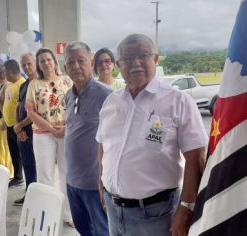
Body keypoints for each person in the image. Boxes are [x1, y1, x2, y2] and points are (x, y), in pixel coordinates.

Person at [96, 34, 208, 236]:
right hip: (113, 210)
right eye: (128, 59)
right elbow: (103, 144)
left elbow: (196, 159)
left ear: (155, 59)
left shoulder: (178, 101)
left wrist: (186, 207)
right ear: (119, 64)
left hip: (156, 214)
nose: (136, 63)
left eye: (143, 55)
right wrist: (101, 183)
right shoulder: (111, 102)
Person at [64, 41, 111, 235]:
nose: (76, 66)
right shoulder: (68, 95)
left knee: (102, 231)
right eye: (70, 62)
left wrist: (105, 182)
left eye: (81, 60)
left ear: (91, 62)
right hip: (73, 181)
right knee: (83, 230)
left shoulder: (106, 95)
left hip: (95, 185)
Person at [25, 48, 73, 226]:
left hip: (66, 132)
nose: (46, 63)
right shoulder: (34, 84)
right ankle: (47, 215)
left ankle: (68, 215)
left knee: (66, 174)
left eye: (48, 59)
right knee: (45, 176)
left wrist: (66, 128)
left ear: (55, 61)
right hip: (43, 135)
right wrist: (52, 129)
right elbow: (31, 112)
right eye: (42, 61)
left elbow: (76, 105)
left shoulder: (67, 81)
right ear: (39, 65)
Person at [12, 53, 37, 205]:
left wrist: (20, 125)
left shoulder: (40, 84)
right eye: (24, 65)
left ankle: (37, 196)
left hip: (35, 132)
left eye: (29, 64)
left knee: (36, 165)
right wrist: (17, 126)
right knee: (27, 164)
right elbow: (18, 106)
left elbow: (37, 112)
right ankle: (29, 192)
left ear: (35, 63)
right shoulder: (23, 85)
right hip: (22, 131)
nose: (27, 67)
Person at [3, 59, 26, 188]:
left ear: (10, 71)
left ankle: (23, 178)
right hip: (9, 125)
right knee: (14, 152)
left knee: (21, 154)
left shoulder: (22, 85)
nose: (4, 75)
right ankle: (17, 177)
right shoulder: (10, 85)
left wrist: (19, 125)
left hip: (18, 126)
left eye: (5, 72)